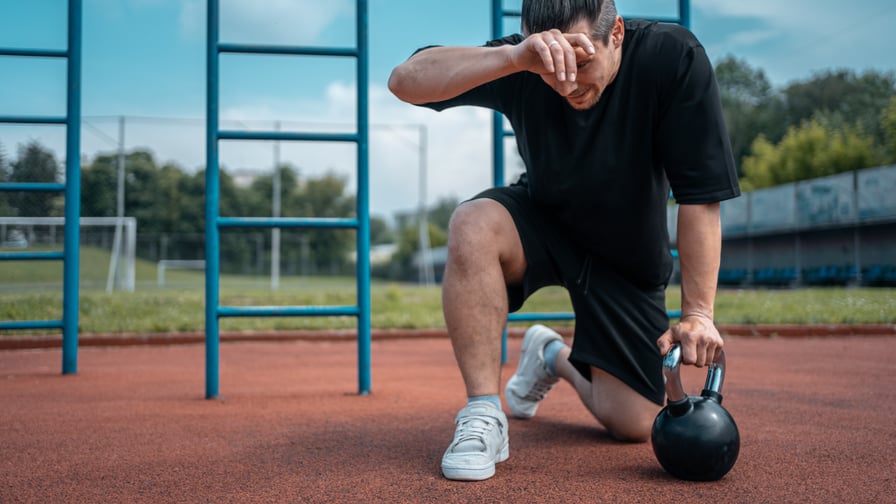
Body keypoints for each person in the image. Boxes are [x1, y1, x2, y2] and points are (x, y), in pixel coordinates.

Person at [388, 0, 740, 481]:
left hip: (626, 255)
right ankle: (483, 413)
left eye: (582, 62)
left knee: (635, 421)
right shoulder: (530, 61)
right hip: (542, 221)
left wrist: (699, 314)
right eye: (554, 68)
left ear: (616, 32)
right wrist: (516, 59)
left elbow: (699, 198)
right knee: (472, 222)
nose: (567, 82)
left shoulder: (670, 57)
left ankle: (549, 355)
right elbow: (404, 80)